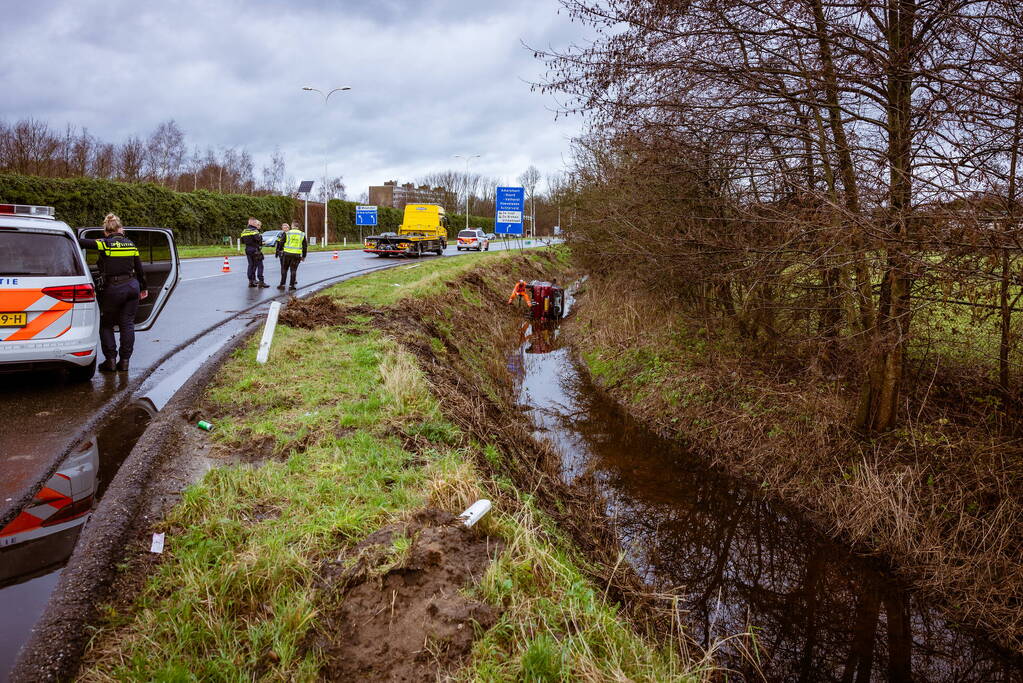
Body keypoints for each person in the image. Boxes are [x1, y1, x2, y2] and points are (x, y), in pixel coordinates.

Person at [78, 213, 148, 372]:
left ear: (106, 232)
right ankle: (124, 362)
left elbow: (81, 242)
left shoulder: (105, 243)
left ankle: (110, 360)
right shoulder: (131, 244)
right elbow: (140, 269)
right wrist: (143, 288)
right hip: (132, 286)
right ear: (120, 229)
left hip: (113, 288)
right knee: (127, 324)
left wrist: (66, 236)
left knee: (106, 324)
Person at [275, 222, 307, 291]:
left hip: (287, 254)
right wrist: (303, 256)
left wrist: (280, 250)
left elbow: (281, 242)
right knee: (293, 270)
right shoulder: (302, 234)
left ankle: (282, 284)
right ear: (298, 227)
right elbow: (305, 246)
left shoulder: (287, 233)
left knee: (284, 269)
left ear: (292, 226)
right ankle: (291, 286)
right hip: (296, 255)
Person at [240, 218, 269, 288]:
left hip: (248, 249)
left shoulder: (244, 231)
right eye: (256, 223)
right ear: (253, 223)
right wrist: (261, 239)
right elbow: (259, 240)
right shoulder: (254, 231)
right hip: (255, 250)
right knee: (260, 265)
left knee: (251, 265)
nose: (256, 224)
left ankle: (251, 281)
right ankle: (261, 282)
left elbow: (242, 241)